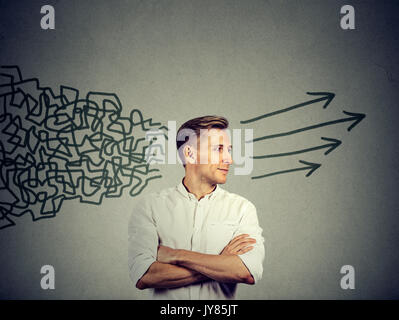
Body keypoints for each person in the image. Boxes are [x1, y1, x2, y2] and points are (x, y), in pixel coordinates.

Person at [128, 115, 265, 299]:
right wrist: (221, 263)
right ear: (190, 154)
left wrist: (176, 255)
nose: (229, 159)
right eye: (219, 149)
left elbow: (247, 272)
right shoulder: (150, 207)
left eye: (229, 150)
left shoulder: (242, 208)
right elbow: (144, 276)